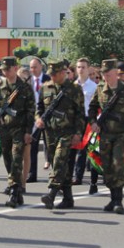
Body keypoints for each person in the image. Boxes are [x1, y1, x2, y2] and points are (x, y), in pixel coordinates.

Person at [87, 59, 124, 214]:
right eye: (104, 74)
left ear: (116, 74)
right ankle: (112, 198)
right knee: (107, 167)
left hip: (121, 135)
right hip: (104, 135)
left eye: (108, 74)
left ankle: (118, 201)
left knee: (118, 166)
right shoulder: (100, 88)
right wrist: (93, 123)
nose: (106, 77)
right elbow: (92, 107)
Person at [36, 61, 85, 209]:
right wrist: (38, 119)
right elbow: (39, 108)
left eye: (55, 74)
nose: (53, 76)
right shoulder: (45, 88)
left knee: (59, 160)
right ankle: (68, 198)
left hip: (67, 132)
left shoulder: (75, 89)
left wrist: (78, 133)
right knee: (59, 164)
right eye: (51, 74)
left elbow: (80, 114)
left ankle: (52, 193)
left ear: (63, 73)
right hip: (50, 132)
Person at [0, 56, 35, 208]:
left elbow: (31, 111)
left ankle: (14, 193)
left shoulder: (25, 88)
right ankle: (16, 188)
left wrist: (29, 131)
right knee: (8, 160)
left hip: (19, 129)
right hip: (4, 128)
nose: (5, 73)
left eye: (7, 69)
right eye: (3, 70)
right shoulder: (0, 85)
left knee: (16, 159)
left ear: (15, 68)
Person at [71, 58, 97, 190]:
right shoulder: (72, 86)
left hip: (89, 119)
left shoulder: (93, 87)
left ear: (88, 69)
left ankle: (94, 180)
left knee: (91, 150)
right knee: (78, 149)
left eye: (83, 67)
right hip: (76, 120)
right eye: (79, 67)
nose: (81, 69)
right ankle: (77, 176)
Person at [28, 58, 51, 181]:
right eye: (31, 67)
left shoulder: (48, 79)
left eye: (35, 67)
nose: (33, 70)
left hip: (47, 117)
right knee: (33, 147)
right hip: (34, 119)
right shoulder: (28, 81)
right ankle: (32, 174)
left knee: (51, 146)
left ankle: (56, 174)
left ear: (41, 66)